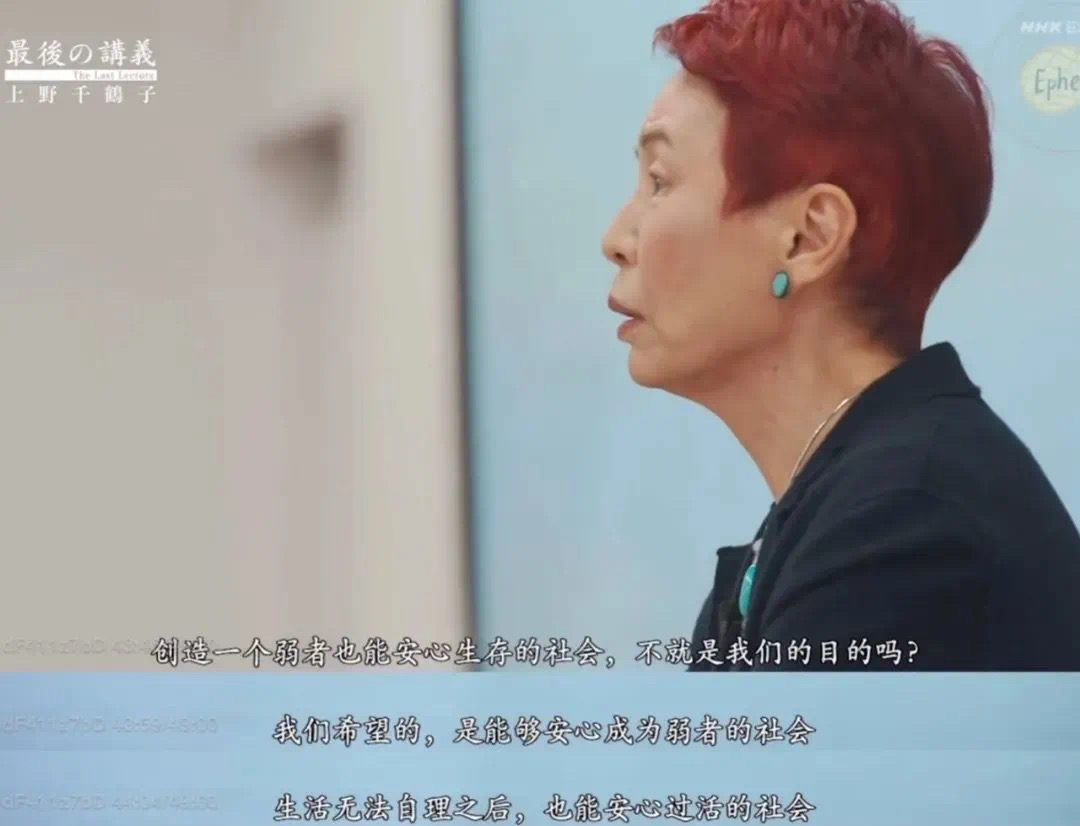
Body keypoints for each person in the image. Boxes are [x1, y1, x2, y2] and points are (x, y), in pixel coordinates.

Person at [601, 0, 1080, 670]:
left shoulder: (905, 533)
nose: (616, 239)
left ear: (809, 237)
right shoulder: (848, 507)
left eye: (659, 182)